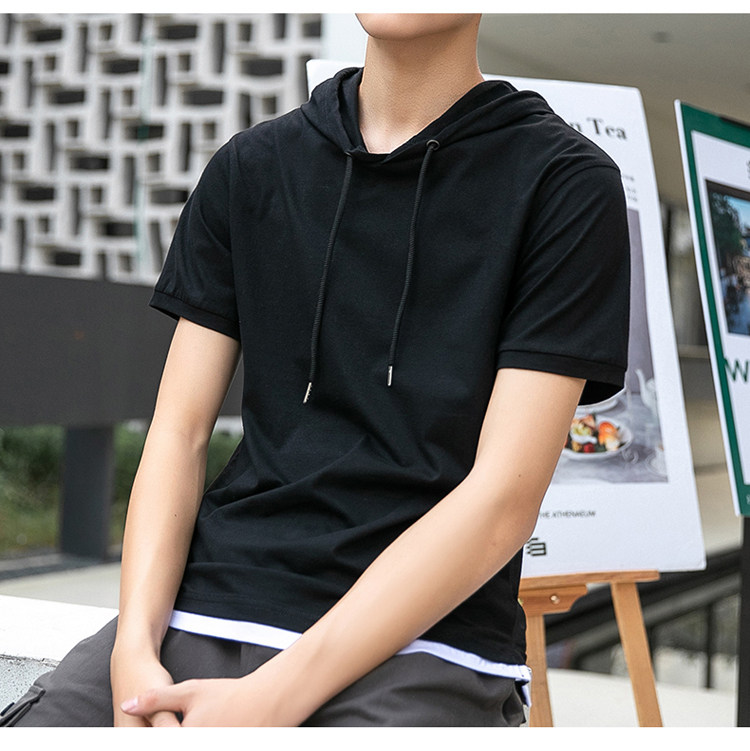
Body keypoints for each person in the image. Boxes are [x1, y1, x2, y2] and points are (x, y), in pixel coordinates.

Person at [2, 13, 629, 727]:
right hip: (206, 601)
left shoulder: (565, 184)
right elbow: (178, 432)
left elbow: (503, 498)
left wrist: (274, 698)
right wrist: (133, 655)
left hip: (425, 640)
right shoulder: (252, 165)